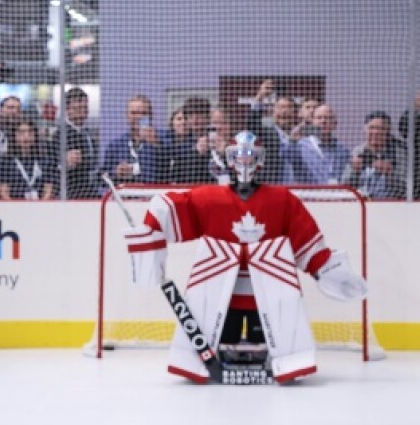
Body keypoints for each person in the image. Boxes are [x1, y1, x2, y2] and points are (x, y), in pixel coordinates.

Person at [123, 130, 367, 383]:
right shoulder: (209, 198)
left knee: (262, 341)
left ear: (260, 159)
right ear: (228, 159)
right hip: (219, 296)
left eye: (250, 155)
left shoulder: (281, 200)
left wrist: (325, 270)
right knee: (223, 339)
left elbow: (305, 241)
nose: (244, 161)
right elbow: (166, 206)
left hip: (267, 295)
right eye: (238, 155)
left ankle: (283, 359)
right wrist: (148, 237)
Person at [101, 94, 164, 185]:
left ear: (151, 115)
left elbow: (164, 171)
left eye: (143, 113)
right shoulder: (114, 146)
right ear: (127, 115)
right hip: (123, 198)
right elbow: (102, 177)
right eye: (133, 113)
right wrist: (116, 173)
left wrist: (156, 144)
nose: (138, 117)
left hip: (154, 197)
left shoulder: (163, 141)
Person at [344, 110, 406, 199]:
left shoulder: (399, 152)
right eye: (371, 128)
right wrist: (354, 171)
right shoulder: (357, 151)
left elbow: (406, 187)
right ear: (365, 129)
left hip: (389, 204)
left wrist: (390, 174)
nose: (376, 132)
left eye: (380, 128)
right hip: (361, 203)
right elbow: (345, 184)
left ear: (388, 131)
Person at [54, 86, 98, 198]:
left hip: (89, 192)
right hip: (70, 193)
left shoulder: (89, 135)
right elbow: (52, 165)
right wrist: (64, 163)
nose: (82, 111)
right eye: (78, 107)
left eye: (85, 107)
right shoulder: (60, 135)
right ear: (67, 109)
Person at [0, 118, 54, 200]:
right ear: (14, 136)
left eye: (30, 132)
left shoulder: (45, 160)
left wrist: (41, 208)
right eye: (21, 132)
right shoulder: (6, 162)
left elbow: (49, 189)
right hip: (13, 207)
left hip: (41, 207)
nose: (26, 136)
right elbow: (3, 191)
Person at [297, 103, 351, 185]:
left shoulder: (343, 150)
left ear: (335, 124)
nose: (323, 121)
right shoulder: (301, 146)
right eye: (319, 118)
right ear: (313, 122)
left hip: (335, 195)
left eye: (328, 118)